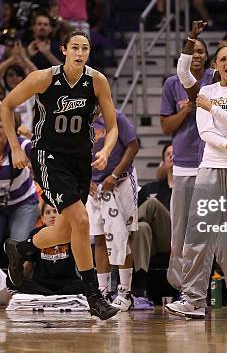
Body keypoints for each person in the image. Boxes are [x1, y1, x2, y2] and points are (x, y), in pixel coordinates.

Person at [0, 29, 119, 320]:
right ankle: (94, 296)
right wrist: (15, 147)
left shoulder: (97, 81)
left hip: (80, 160)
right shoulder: (44, 78)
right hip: (49, 157)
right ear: (63, 50)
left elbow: (113, 127)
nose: (80, 53)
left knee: (66, 231)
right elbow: (6, 105)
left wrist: (105, 151)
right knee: (81, 220)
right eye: (75, 47)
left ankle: (22, 249)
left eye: (85, 48)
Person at [165, 43, 227, 319]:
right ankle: (194, 299)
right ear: (216, 65)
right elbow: (205, 131)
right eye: (223, 59)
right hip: (211, 165)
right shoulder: (206, 91)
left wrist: (214, 109)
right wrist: (226, 143)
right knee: (198, 235)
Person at [160, 21, 217, 292]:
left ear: (207, 56)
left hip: (212, 162)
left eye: (201, 51)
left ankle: (215, 285)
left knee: (209, 229)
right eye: (192, 51)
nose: (197, 55)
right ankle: (183, 286)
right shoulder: (173, 84)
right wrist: (186, 110)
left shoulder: (216, 79)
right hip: (183, 165)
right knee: (180, 229)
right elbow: (165, 127)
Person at [86, 109, 139, 311]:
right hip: (94, 186)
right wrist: (85, 179)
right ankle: (103, 290)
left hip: (122, 181)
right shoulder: (80, 120)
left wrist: (115, 175)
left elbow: (133, 146)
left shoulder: (115, 116)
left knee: (123, 237)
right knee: (99, 237)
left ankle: (125, 292)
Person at [0, 113, 40, 266]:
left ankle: (20, 286)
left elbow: (36, 151)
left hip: (23, 203)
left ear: (8, 129)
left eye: (0, 127)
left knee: (19, 247)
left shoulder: (19, 145)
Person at [5, 203, 83, 295]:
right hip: (41, 285)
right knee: (11, 281)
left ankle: (50, 296)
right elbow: (29, 265)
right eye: (48, 212)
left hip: (66, 284)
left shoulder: (70, 232)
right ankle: (52, 295)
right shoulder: (35, 234)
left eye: (55, 212)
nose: (52, 215)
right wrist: (18, 278)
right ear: (42, 218)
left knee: (91, 280)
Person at [132, 143, 172, 304]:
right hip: (153, 242)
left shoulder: (189, 187)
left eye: (175, 153)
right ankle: (141, 288)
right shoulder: (150, 188)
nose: (172, 156)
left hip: (176, 238)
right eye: (168, 154)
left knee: (152, 204)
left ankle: (123, 229)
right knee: (141, 227)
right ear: (163, 161)